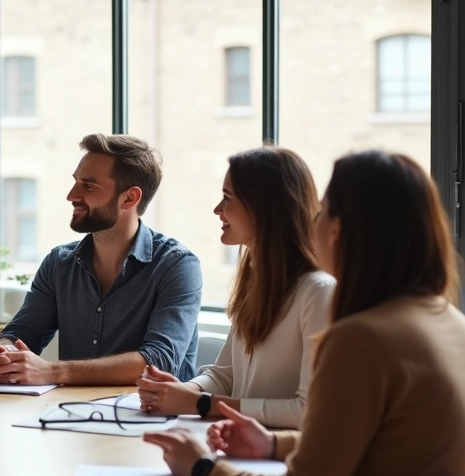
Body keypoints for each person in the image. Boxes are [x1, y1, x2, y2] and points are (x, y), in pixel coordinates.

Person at [128, 151, 465, 476]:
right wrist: (274, 444)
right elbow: (369, 446)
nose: (313, 222)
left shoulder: (361, 338)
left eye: (322, 212)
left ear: (338, 231)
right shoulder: (450, 323)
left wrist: (199, 468)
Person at [0, 134, 202, 387]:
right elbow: (22, 333)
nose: (71, 195)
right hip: (69, 413)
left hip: (152, 418)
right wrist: (3, 352)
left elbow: (159, 361)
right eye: (76, 182)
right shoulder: (58, 263)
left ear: (129, 198)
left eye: (89, 186)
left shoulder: (177, 266)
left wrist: (54, 372)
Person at [137, 147, 333, 428]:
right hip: (240, 446)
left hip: (278, 459)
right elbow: (224, 376)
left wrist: (200, 404)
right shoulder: (255, 285)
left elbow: (308, 410)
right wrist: (185, 391)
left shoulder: (318, 293)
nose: (218, 209)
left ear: (264, 208)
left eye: (227, 198)